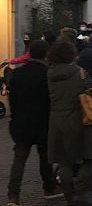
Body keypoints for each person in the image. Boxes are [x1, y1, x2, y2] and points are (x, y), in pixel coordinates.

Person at [7, 41, 63, 205]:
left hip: (21, 123)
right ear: (46, 55)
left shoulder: (18, 74)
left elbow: (13, 100)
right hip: (42, 123)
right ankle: (49, 187)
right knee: (45, 157)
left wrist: (15, 117)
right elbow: (51, 100)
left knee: (19, 160)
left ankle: (13, 196)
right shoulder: (47, 74)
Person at [47, 41, 92, 205]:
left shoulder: (49, 73)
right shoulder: (79, 72)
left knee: (64, 162)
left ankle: (69, 197)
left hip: (57, 120)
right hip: (80, 118)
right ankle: (80, 188)